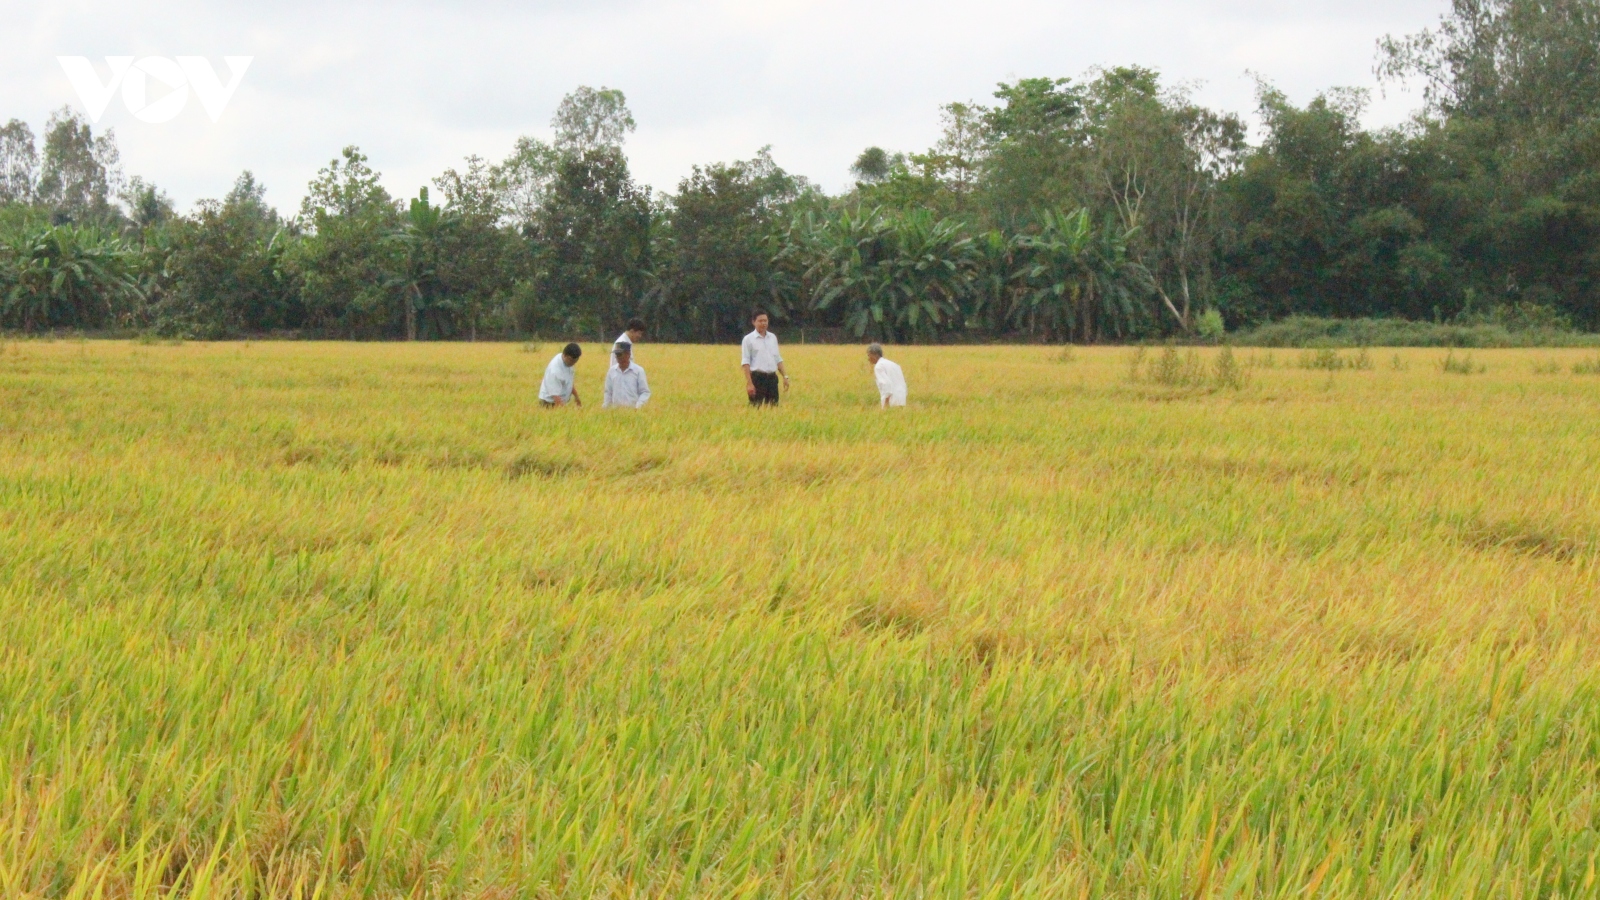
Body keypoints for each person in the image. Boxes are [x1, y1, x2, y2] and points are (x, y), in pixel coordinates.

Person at [740, 310, 788, 406]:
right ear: (753, 322)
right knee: (756, 408)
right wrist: (749, 383)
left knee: (773, 408)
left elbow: (777, 358)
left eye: (765, 320)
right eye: (760, 321)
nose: (763, 323)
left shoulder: (773, 337)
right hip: (757, 379)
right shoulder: (748, 339)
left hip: (772, 379)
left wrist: (785, 376)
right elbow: (746, 362)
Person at [603, 343, 651, 408]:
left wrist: (638, 407)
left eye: (619, 354)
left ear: (628, 354)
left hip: (634, 412)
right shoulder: (611, 371)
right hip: (615, 412)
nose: (617, 357)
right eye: (616, 354)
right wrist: (606, 408)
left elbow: (645, 392)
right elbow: (608, 392)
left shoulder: (638, 371)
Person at [538, 343, 583, 408]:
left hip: (560, 401)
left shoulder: (568, 363)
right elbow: (556, 397)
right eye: (571, 360)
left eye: (575, 361)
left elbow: (568, 382)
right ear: (564, 355)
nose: (573, 363)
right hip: (549, 404)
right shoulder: (554, 371)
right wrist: (565, 413)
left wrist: (577, 398)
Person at [867, 343, 907, 408]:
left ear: (875, 355)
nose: (868, 359)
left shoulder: (879, 366)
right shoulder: (895, 365)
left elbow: (886, 384)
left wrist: (886, 403)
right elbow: (902, 383)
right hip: (902, 399)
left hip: (891, 401)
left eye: (869, 355)